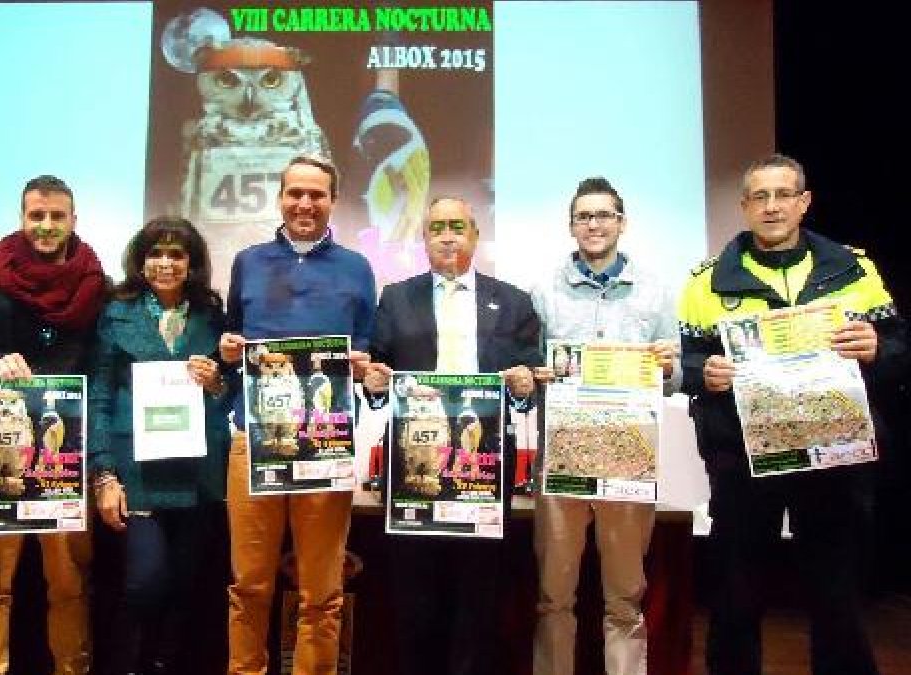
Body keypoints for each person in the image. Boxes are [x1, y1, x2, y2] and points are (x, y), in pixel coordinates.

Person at [678, 154, 905, 675]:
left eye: (783, 195)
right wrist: (704, 373)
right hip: (742, 459)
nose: (772, 206)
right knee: (736, 596)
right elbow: (688, 362)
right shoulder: (706, 282)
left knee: (837, 595)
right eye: (760, 197)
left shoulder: (854, 269)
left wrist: (876, 347)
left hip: (836, 457)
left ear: (803, 202)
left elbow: (898, 350)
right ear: (744, 207)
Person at [363, 196, 540, 675]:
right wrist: (373, 384)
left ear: (475, 236)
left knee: (478, 594)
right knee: (415, 596)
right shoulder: (396, 297)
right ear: (424, 239)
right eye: (436, 227)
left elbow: (530, 384)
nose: (446, 235)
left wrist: (525, 388)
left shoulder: (514, 300)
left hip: (483, 463)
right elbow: (377, 373)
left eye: (456, 226)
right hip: (414, 461)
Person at [218, 154, 376, 674]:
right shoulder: (248, 261)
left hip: (326, 445)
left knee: (322, 594)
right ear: (280, 197)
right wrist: (231, 351)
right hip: (253, 438)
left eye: (317, 194)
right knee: (250, 586)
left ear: (333, 201)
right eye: (295, 193)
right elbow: (234, 333)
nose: (305, 203)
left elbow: (367, 346)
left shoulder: (357, 268)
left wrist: (362, 366)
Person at [0, 175, 107, 675]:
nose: (46, 226)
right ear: (22, 218)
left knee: (68, 582)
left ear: (73, 220)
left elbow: (102, 366)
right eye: (36, 216)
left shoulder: (95, 284)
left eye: (56, 216)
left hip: (65, 453)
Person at [530, 177, 678, 675]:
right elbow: (530, 369)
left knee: (625, 599)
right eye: (583, 216)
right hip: (563, 460)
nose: (594, 224)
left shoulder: (655, 290)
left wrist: (666, 368)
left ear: (622, 222)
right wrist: (537, 372)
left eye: (604, 215)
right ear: (571, 226)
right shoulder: (543, 291)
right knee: (554, 596)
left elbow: (676, 377)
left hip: (628, 461)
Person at [88, 217, 230, 675]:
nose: (165, 263)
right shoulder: (115, 312)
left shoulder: (213, 314)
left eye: (176, 254)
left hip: (198, 474)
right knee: (144, 584)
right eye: (156, 253)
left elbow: (227, 391)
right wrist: (104, 474)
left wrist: (217, 383)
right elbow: (101, 397)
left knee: (186, 591)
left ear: (191, 264)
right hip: (138, 474)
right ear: (141, 260)